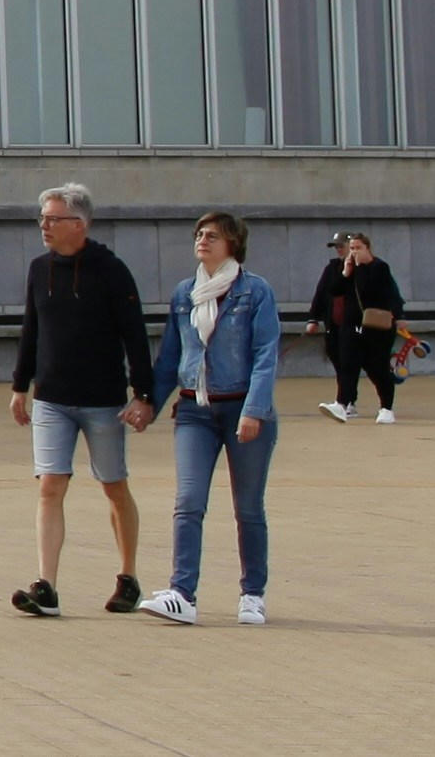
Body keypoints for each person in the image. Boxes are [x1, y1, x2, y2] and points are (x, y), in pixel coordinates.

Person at [5, 183, 151, 619]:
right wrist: (20, 385)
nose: (44, 226)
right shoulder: (37, 269)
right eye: (42, 219)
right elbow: (32, 329)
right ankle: (46, 585)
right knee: (50, 486)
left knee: (114, 486)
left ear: (79, 224)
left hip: (103, 400)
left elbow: (135, 336)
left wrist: (143, 395)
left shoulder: (112, 271)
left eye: (53, 219)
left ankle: (128, 577)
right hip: (51, 398)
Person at [133, 211, 280, 627]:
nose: (202, 240)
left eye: (212, 235)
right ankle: (182, 593)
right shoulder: (186, 293)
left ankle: (252, 594)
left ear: (232, 243)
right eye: (199, 234)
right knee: (188, 501)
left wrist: (254, 409)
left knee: (248, 508)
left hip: (242, 410)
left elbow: (266, 354)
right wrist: (148, 404)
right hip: (195, 411)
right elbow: (170, 359)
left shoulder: (255, 292)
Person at [307, 232, 407, 425]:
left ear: (367, 248)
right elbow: (333, 290)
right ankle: (342, 404)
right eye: (351, 248)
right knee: (347, 365)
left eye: (357, 248)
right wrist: (346, 272)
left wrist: (400, 316)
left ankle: (386, 407)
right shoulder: (345, 268)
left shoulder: (378, 267)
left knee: (377, 368)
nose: (353, 252)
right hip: (351, 326)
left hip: (375, 327)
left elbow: (386, 292)